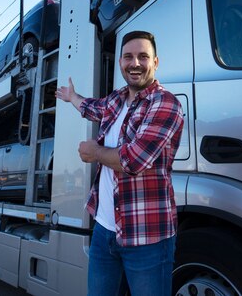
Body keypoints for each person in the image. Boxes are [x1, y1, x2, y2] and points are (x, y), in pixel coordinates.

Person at [55, 30, 184, 296]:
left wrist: (95, 152)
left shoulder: (166, 103)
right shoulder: (116, 98)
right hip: (104, 230)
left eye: (143, 56)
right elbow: (92, 108)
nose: (135, 63)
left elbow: (134, 159)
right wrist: (72, 97)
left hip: (147, 236)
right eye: (128, 57)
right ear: (120, 63)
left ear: (155, 63)